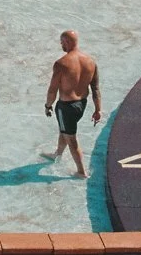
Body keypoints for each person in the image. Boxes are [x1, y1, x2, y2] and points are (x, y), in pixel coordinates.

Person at [42, 30, 101, 177]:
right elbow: (95, 88)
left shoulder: (61, 64)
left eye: (62, 42)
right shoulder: (91, 62)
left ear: (67, 42)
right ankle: (58, 153)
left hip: (66, 107)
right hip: (82, 104)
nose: (61, 44)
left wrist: (48, 105)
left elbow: (52, 90)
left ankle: (81, 171)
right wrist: (98, 109)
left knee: (71, 138)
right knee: (65, 130)